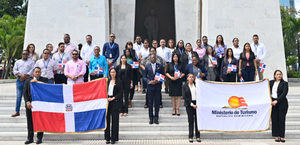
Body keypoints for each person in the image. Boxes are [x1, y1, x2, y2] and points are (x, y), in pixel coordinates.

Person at [23, 67, 48, 144]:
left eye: (39, 72)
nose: (37, 73)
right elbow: (25, 92)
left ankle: (39, 138)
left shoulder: (44, 80)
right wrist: (27, 102)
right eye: (36, 72)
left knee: (40, 121)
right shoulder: (28, 80)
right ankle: (30, 138)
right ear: (33, 72)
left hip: (40, 104)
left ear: (41, 73)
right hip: (30, 104)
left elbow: (47, 91)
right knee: (30, 122)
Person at [11, 50, 35, 117]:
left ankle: (28, 112)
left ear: (28, 55)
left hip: (27, 80)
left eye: (26, 54)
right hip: (19, 80)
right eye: (23, 54)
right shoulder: (18, 62)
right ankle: (17, 111)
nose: (25, 55)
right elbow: (14, 70)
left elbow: (32, 70)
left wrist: (25, 76)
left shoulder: (31, 62)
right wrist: (20, 75)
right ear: (22, 54)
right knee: (19, 96)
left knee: (27, 96)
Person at [144, 55, 164, 124]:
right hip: (150, 87)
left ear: (156, 59)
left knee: (157, 103)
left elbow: (163, 75)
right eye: (152, 58)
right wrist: (149, 81)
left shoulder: (160, 66)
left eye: (154, 58)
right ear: (149, 59)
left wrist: (158, 81)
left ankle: (156, 118)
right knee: (150, 103)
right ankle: (151, 118)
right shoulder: (147, 66)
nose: (153, 59)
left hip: (157, 87)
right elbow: (144, 77)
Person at [270, 70, 289, 143]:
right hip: (273, 103)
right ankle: (276, 136)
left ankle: (282, 136)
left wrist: (277, 101)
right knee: (274, 120)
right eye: (277, 74)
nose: (279, 76)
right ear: (275, 75)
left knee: (281, 120)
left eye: (280, 74)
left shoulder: (285, 83)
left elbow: (284, 93)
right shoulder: (271, 82)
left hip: (282, 103)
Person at [105, 68, 122, 144]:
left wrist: (113, 98)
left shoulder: (119, 81)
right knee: (107, 120)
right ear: (109, 73)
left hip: (115, 101)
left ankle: (114, 138)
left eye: (114, 72)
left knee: (115, 121)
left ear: (116, 73)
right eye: (111, 72)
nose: (112, 73)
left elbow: (120, 93)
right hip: (107, 102)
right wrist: (107, 98)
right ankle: (107, 138)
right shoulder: (107, 81)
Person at [183, 74, 201, 143]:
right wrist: (192, 104)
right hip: (189, 104)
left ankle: (198, 136)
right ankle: (190, 136)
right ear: (187, 78)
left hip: (197, 104)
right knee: (191, 121)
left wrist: (197, 104)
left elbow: (200, 94)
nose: (191, 78)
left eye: (192, 77)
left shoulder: (196, 85)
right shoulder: (185, 86)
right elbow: (184, 97)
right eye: (190, 77)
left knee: (197, 121)